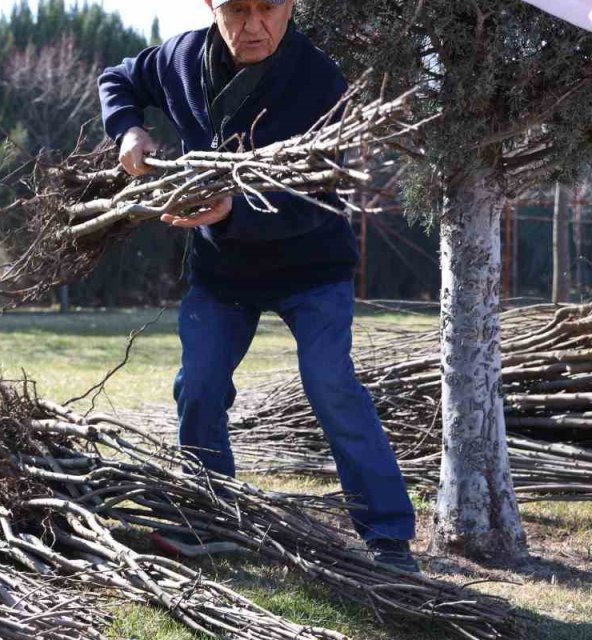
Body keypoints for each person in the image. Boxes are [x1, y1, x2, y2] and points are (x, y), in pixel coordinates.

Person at [98, 0, 420, 572]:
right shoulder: (179, 58)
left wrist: (231, 212)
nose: (253, 25)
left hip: (311, 268)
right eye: (236, 9)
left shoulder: (320, 80)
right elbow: (119, 77)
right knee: (198, 385)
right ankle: (212, 516)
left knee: (330, 385)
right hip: (223, 275)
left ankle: (388, 539)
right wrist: (127, 127)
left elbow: (323, 198)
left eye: (268, 6)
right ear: (209, 6)